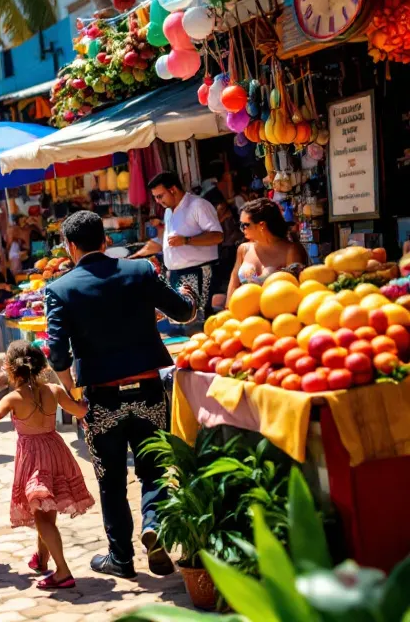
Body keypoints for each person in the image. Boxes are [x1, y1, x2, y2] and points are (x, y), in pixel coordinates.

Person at [43, 210, 194, 579]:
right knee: (154, 470)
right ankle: (154, 524)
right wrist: (188, 293)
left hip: (102, 396)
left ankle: (121, 558)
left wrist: (71, 392)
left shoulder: (59, 289)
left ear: (70, 246)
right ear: (105, 241)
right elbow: (185, 313)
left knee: (110, 479)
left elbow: (58, 353)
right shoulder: (140, 271)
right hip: (147, 388)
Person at [0, 341, 94, 590]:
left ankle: (63, 571)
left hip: (33, 458)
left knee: (41, 515)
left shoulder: (13, 398)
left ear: (9, 368)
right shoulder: (54, 390)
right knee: (45, 510)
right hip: (56, 452)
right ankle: (41, 559)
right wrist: (87, 401)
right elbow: (80, 411)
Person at [149, 171, 223, 326]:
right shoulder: (169, 211)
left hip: (199, 272)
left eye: (160, 196)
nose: (157, 201)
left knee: (200, 322)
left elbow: (217, 236)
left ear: (173, 190)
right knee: (182, 323)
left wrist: (187, 240)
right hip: (176, 275)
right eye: (155, 197)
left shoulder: (198, 205)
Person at [226, 198, 308, 302]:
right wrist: (228, 310)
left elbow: (293, 289)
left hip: (277, 312)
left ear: (262, 225)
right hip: (244, 313)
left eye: (245, 225)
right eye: (240, 225)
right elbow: (234, 282)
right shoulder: (244, 249)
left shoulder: (291, 250)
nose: (242, 229)